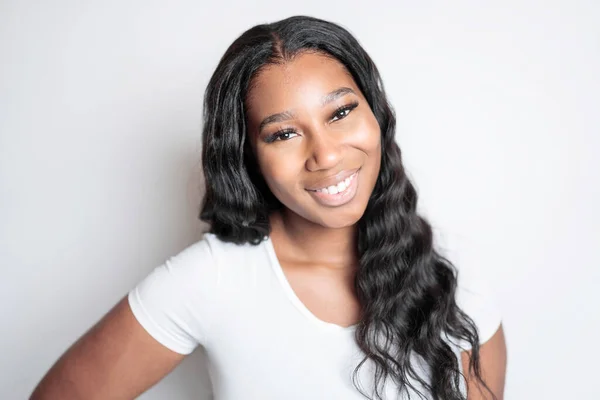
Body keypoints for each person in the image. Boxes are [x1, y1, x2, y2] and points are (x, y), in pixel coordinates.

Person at [30, 15, 507, 400]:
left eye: (341, 113)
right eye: (284, 133)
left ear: (376, 112)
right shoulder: (211, 278)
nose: (326, 155)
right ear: (248, 156)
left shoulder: (455, 275)